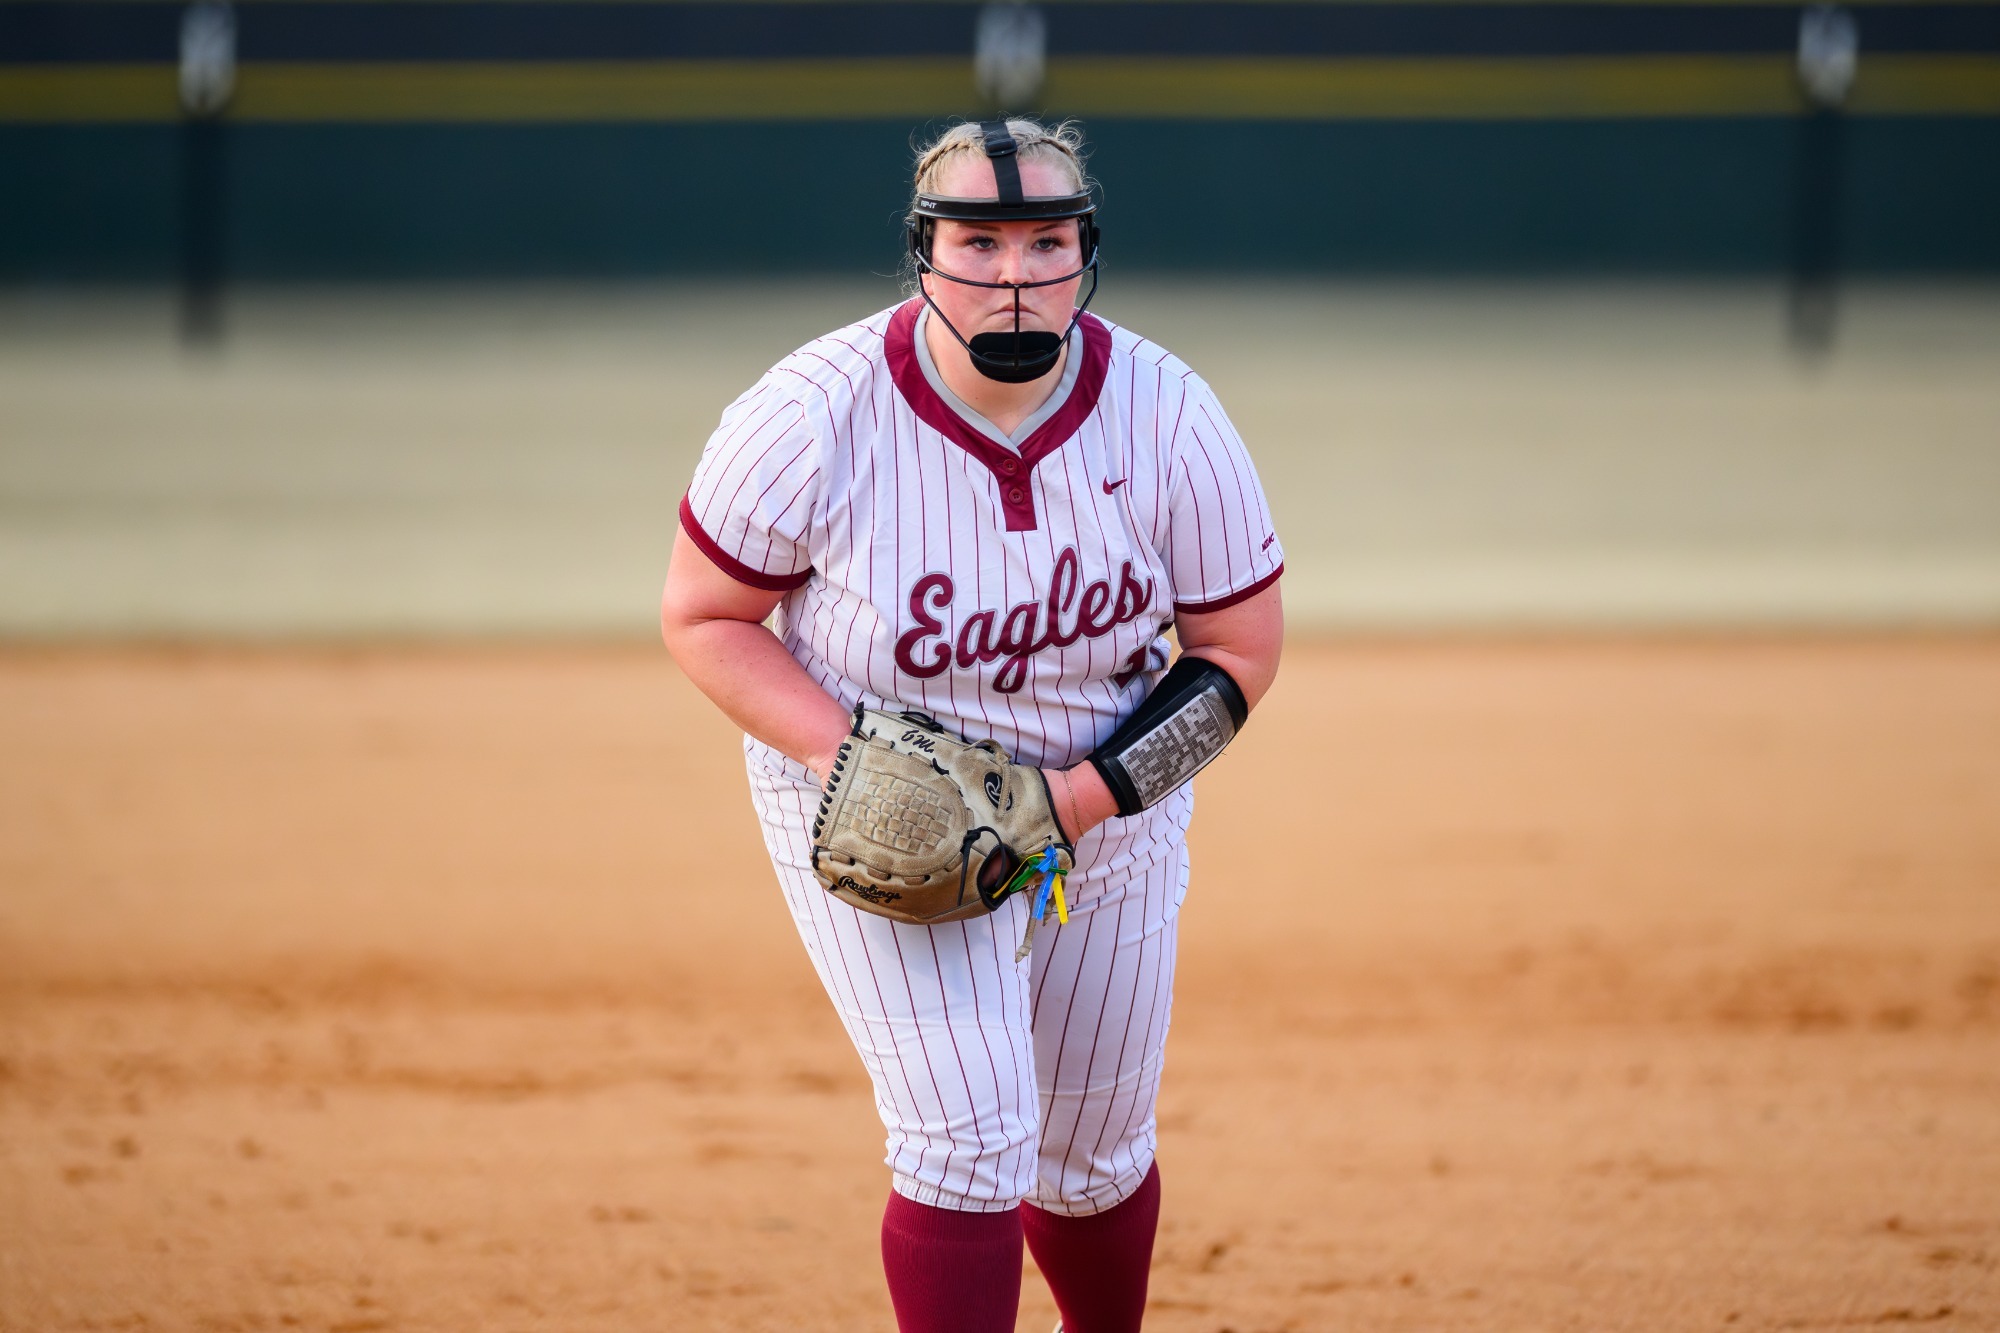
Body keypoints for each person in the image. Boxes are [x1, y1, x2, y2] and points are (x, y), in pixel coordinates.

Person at [660, 117, 1284, 1333]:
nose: (1013, 270)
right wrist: (853, 764)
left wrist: (1074, 802)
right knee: (966, 1135)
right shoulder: (809, 415)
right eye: (977, 239)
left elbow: (1237, 655)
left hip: (1105, 806)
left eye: (1045, 239)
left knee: (1094, 1155)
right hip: (873, 818)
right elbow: (704, 615)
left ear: (1084, 253)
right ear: (921, 253)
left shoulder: (1167, 411)